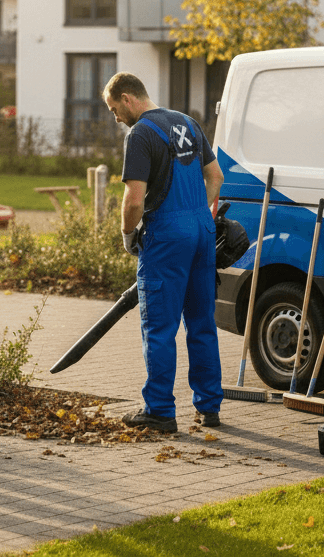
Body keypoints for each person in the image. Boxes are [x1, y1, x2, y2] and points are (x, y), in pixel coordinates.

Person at [102, 72, 224, 432]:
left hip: (168, 236)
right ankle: (209, 407)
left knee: (160, 327)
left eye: (114, 109)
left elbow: (133, 201)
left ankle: (159, 411)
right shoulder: (188, 123)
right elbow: (216, 177)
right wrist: (196, 212)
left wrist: (128, 235)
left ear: (127, 98)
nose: (116, 118)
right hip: (202, 230)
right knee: (202, 323)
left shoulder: (141, 134)